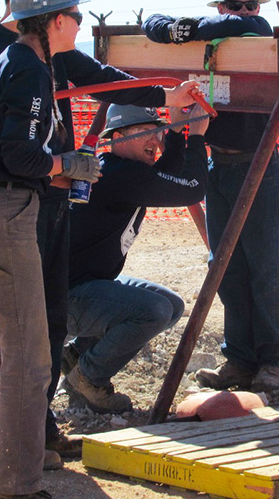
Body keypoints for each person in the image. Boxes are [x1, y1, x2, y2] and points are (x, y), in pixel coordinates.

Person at [0, 0, 198, 460]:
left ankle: (31, 434)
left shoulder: (48, 53)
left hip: (45, 199)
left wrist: (162, 96)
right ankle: (23, 450)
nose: (75, 21)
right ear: (47, 9)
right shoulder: (0, 50)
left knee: (45, 319)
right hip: (17, 198)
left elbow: (98, 79)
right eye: (71, 12)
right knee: (26, 340)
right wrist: (11, 155)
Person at [0, 0, 103, 499]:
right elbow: (20, 153)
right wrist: (70, 163)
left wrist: (60, 165)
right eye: (77, 16)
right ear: (55, 19)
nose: (79, 25)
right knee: (32, 357)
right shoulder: (32, 70)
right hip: (6, 217)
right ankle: (17, 484)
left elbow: (2, 150)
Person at [142, 0, 279, 393]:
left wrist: (182, 28)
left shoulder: (258, 32)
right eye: (235, 5)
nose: (245, 14)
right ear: (221, 5)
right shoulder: (209, 44)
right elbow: (150, 27)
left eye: (251, 5)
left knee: (265, 270)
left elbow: (245, 26)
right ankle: (241, 360)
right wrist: (174, 29)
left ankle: (273, 360)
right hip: (220, 168)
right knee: (226, 267)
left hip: (262, 167)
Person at [62, 103, 209, 411]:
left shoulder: (117, 168)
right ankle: (89, 378)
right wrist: (196, 136)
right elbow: (191, 188)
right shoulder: (119, 175)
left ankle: (76, 357)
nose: (156, 142)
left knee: (170, 306)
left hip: (81, 285)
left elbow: (165, 176)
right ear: (117, 136)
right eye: (147, 133)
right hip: (67, 297)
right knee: (152, 311)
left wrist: (178, 131)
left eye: (157, 134)